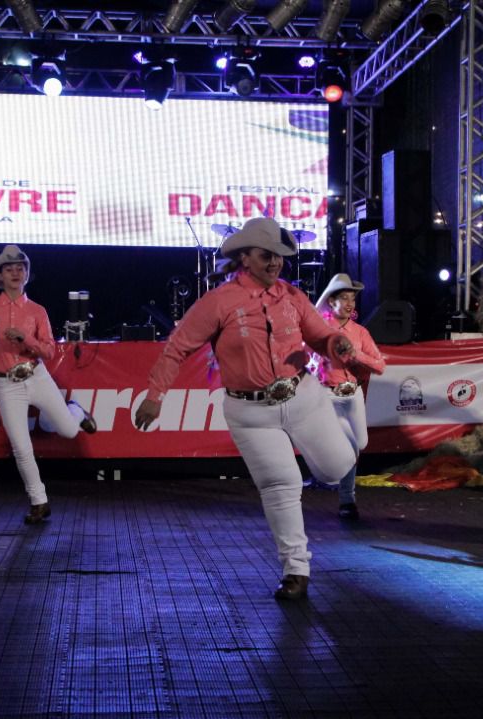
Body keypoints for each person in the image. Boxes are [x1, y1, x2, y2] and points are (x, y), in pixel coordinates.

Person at [135, 217, 357, 601]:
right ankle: (296, 571)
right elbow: (177, 348)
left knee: (338, 469)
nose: (275, 263)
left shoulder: (292, 296)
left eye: (279, 257)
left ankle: (343, 443)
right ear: (244, 258)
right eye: (266, 255)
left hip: (303, 397)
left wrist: (336, 342)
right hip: (252, 414)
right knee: (281, 487)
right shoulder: (218, 302)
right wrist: (155, 396)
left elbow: (320, 336)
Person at [0, 245, 97, 524]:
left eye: (20, 268)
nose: (15, 273)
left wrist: (25, 339)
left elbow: (50, 351)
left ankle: (76, 411)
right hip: (7, 384)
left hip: (37, 375)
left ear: (27, 273)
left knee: (68, 430)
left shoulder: (36, 310)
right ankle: (39, 501)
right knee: (21, 446)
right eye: (9, 269)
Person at [312, 273, 386, 521]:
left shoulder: (360, 332)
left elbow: (380, 366)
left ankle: (331, 475)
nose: (349, 303)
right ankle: (347, 500)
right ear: (331, 301)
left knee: (360, 444)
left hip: (352, 395)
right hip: (328, 397)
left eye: (352, 299)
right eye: (344, 298)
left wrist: (356, 355)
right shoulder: (319, 329)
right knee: (349, 446)